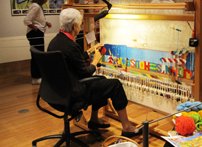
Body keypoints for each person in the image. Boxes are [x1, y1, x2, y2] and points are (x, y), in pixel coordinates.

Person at [47, 8, 141, 138]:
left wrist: (89, 52)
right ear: (74, 25)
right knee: (115, 85)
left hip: (56, 93)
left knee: (101, 79)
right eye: (79, 25)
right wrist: (95, 61)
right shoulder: (71, 46)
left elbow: (71, 61)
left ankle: (94, 119)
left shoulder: (55, 42)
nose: (80, 28)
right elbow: (85, 74)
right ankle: (127, 127)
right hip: (73, 95)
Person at [24, 0, 52, 85]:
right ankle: (36, 78)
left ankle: (38, 76)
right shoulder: (36, 7)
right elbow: (27, 21)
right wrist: (37, 29)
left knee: (37, 55)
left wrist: (45, 23)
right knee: (37, 55)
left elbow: (36, 19)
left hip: (36, 33)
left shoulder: (37, 6)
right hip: (35, 34)